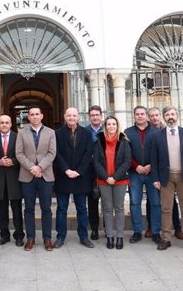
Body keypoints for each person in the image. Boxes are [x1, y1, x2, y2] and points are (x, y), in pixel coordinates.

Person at [150, 106, 183, 253]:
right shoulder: (158, 135)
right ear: (164, 117)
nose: (170, 116)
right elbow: (154, 159)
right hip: (166, 177)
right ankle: (166, 239)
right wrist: (155, 178)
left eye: (172, 114)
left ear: (177, 116)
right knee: (166, 209)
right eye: (167, 114)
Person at [16, 107, 57, 251]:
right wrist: (32, 168)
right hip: (28, 175)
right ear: (29, 117)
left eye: (37, 114)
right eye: (31, 114)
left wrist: (40, 167)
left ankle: (47, 238)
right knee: (28, 208)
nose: (34, 117)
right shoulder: (22, 132)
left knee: (46, 208)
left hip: (45, 175)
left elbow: (52, 153)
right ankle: (30, 238)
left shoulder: (51, 132)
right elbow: (19, 153)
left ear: (42, 116)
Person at [54, 107, 95, 248]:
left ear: (78, 117)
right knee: (61, 209)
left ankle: (83, 236)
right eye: (69, 115)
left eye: (74, 115)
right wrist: (66, 170)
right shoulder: (57, 134)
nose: (71, 118)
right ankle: (60, 237)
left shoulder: (86, 134)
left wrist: (78, 171)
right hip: (63, 176)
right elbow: (57, 154)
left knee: (82, 209)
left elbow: (88, 153)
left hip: (81, 176)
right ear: (65, 117)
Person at [94, 116, 130, 249]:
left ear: (117, 125)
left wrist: (115, 177)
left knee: (119, 208)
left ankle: (119, 236)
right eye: (108, 124)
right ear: (105, 126)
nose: (111, 126)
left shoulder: (124, 140)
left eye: (113, 124)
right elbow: (96, 162)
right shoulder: (99, 140)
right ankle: (109, 236)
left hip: (120, 180)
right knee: (107, 209)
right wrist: (106, 177)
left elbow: (127, 161)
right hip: (104, 180)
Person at [125, 106, 160, 244]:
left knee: (155, 202)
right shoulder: (127, 132)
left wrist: (151, 165)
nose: (140, 116)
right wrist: (136, 166)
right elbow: (126, 153)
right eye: (137, 114)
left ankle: (156, 232)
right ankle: (137, 232)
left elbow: (160, 152)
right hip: (135, 173)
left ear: (147, 116)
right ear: (134, 116)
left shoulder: (157, 132)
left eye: (142, 114)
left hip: (153, 173)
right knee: (134, 202)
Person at [149, 107, 183, 240]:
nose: (154, 118)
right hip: (155, 172)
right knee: (153, 202)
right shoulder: (149, 132)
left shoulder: (169, 129)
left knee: (172, 203)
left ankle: (177, 227)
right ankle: (153, 227)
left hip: (171, 172)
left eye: (156, 115)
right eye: (151, 116)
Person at [0, 114, 24, 246]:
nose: (4, 125)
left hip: (14, 179)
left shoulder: (18, 138)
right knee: (2, 210)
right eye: (2, 123)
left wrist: (12, 161)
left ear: (11, 124)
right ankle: (4, 235)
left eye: (7, 122)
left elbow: (24, 155)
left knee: (17, 209)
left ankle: (19, 236)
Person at [85, 105, 103, 240]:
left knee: (109, 203)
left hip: (108, 172)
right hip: (90, 173)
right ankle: (94, 229)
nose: (95, 117)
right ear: (89, 117)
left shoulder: (109, 128)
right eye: (92, 115)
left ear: (101, 116)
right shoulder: (85, 132)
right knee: (92, 202)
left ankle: (109, 229)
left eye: (97, 114)